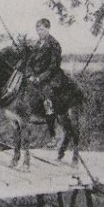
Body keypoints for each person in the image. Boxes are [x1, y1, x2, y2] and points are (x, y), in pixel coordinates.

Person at [26, 18, 81, 163]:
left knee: (47, 99)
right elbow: (31, 61)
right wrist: (31, 75)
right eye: (37, 29)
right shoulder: (37, 44)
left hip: (53, 78)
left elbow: (53, 66)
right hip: (36, 77)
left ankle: (53, 135)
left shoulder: (54, 44)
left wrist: (41, 78)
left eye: (42, 29)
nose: (39, 32)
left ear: (48, 29)